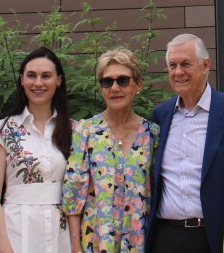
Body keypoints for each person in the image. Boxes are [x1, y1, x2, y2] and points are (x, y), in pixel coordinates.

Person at [148, 33, 224, 253]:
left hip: (214, 237)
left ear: (205, 66)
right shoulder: (161, 115)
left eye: (185, 64)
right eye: (172, 65)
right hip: (166, 238)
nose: (178, 72)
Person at [62, 47, 159, 253]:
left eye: (123, 80)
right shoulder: (85, 131)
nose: (115, 88)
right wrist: (75, 246)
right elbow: (74, 192)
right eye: (107, 82)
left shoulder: (152, 135)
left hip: (139, 243)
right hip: (96, 244)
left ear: (138, 85)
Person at [0, 47, 72, 253]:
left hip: (61, 234)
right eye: (31, 76)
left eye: (46, 76)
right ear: (22, 80)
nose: (38, 83)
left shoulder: (73, 130)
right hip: (15, 232)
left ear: (58, 81)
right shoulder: (4, 129)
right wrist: (6, 249)